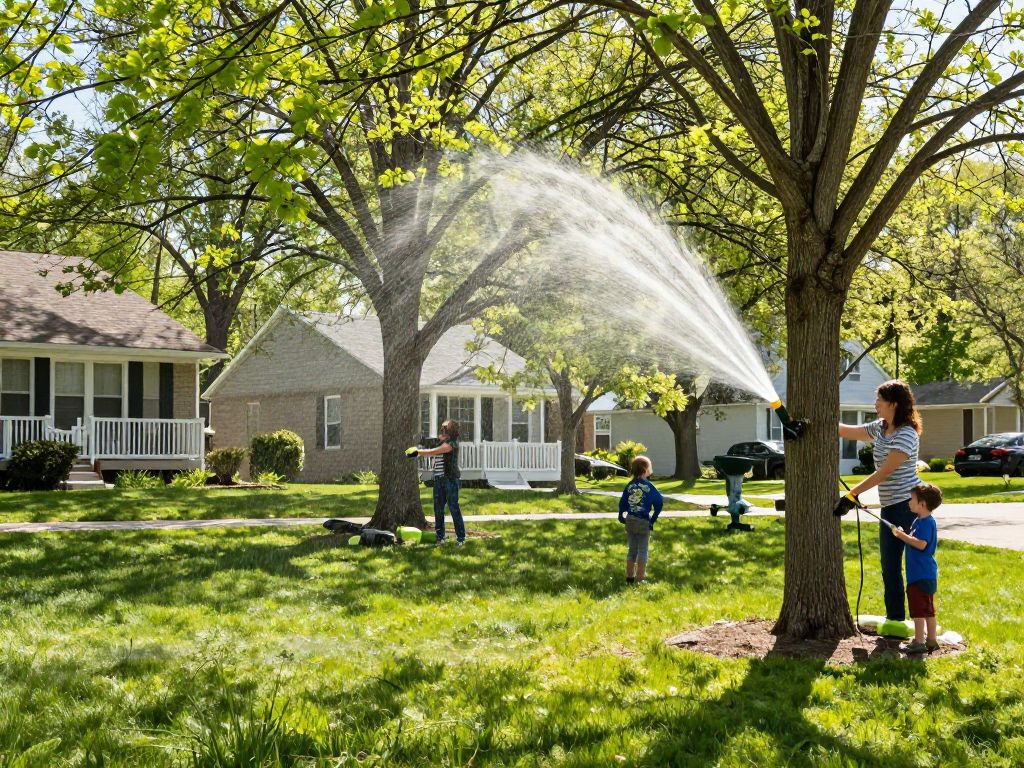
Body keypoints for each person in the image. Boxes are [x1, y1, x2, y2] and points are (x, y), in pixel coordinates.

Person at [834, 379, 923, 621]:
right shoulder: (880, 428)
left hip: (908, 506)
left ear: (893, 404)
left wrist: (852, 494)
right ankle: (896, 619)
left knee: (914, 565)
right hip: (890, 505)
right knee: (889, 566)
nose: (876, 404)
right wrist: (816, 422)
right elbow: (845, 431)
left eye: (880, 400)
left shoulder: (906, 434)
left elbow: (884, 472)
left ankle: (920, 621)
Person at [891, 482, 943, 653]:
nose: (909, 502)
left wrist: (902, 536)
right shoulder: (919, 521)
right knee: (928, 610)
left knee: (919, 612)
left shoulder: (926, 523)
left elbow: (921, 544)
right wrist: (903, 533)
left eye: (912, 499)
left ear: (922, 504)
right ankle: (932, 641)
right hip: (924, 574)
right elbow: (915, 539)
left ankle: (919, 642)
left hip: (920, 575)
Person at [410, 420, 465, 545]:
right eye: (442, 427)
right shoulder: (441, 441)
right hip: (438, 480)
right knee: (438, 509)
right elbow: (428, 442)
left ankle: (461, 538)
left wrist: (418, 452)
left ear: (450, 430)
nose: (442, 428)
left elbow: (433, 451)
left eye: (444, 427)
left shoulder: (452, 443)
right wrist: (420, 439)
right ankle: (440, 537)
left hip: (450, 479)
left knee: (454, 508)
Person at [618, 455, 663, 584]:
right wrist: (652, 520)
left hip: (630, 520)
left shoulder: (630, 485)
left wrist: (621, 515)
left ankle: (629, 577)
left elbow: (623, 502)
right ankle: (640, 578)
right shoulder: (649, 487)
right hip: (643, 522)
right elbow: (659, 503)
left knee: (632, 550)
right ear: (645, 469)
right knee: (643, 551)